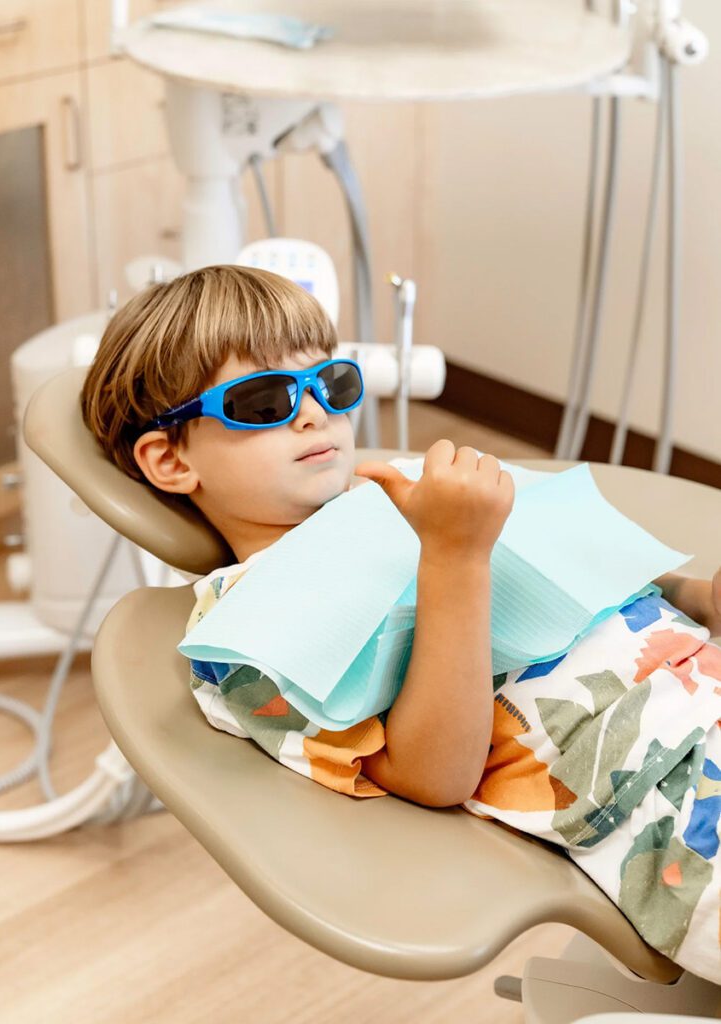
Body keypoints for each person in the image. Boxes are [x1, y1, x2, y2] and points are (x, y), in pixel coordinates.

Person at [81, 264, 721, 981]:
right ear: (170, 459)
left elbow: (585, 570)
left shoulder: (413, 493)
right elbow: (434, 775)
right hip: (676, 818)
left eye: (333, 382)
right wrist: (453, 554)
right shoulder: (244, 631)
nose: (313, 412)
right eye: (262, 400)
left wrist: (698, 597)